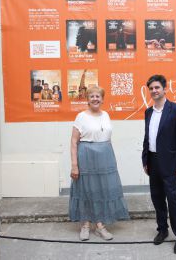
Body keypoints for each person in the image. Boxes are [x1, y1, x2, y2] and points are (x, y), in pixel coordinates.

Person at [69, 86, 130, 241]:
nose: (95, 99)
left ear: (102, 99)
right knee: (86, 191)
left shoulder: (106, 115)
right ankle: (85, 226)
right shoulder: (81, 116)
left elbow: (107, 137)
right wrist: (74, 165)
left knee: (102, 191)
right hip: (86, 157)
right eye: (92, 96)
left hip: (105, 157)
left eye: (98, 96)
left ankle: (100, 226)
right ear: (87, 99)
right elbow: (74, 141)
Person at [142, 75, 176, 254]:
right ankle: (162, 230)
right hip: (153, 162)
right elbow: (147, 138)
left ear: (164, 89)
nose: (154, 91)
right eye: (151, 88)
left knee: (173, 199)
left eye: (157, 88)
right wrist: (145, 159)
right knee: (157, 198)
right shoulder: (148, 112)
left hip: (170, 163)